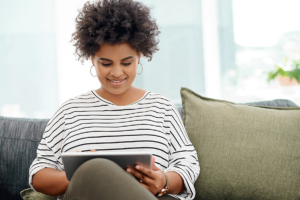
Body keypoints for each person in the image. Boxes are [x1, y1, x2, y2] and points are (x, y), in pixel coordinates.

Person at [28, 0, 200, 199]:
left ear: (140, 55)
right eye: (106, 63)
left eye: (126, 62)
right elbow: (39, 174)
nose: (117, 73)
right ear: (92, 58)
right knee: (94, 169)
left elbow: (188, 163)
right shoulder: (70, 111)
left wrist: (164, 181)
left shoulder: (162, 108)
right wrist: (82, 174)